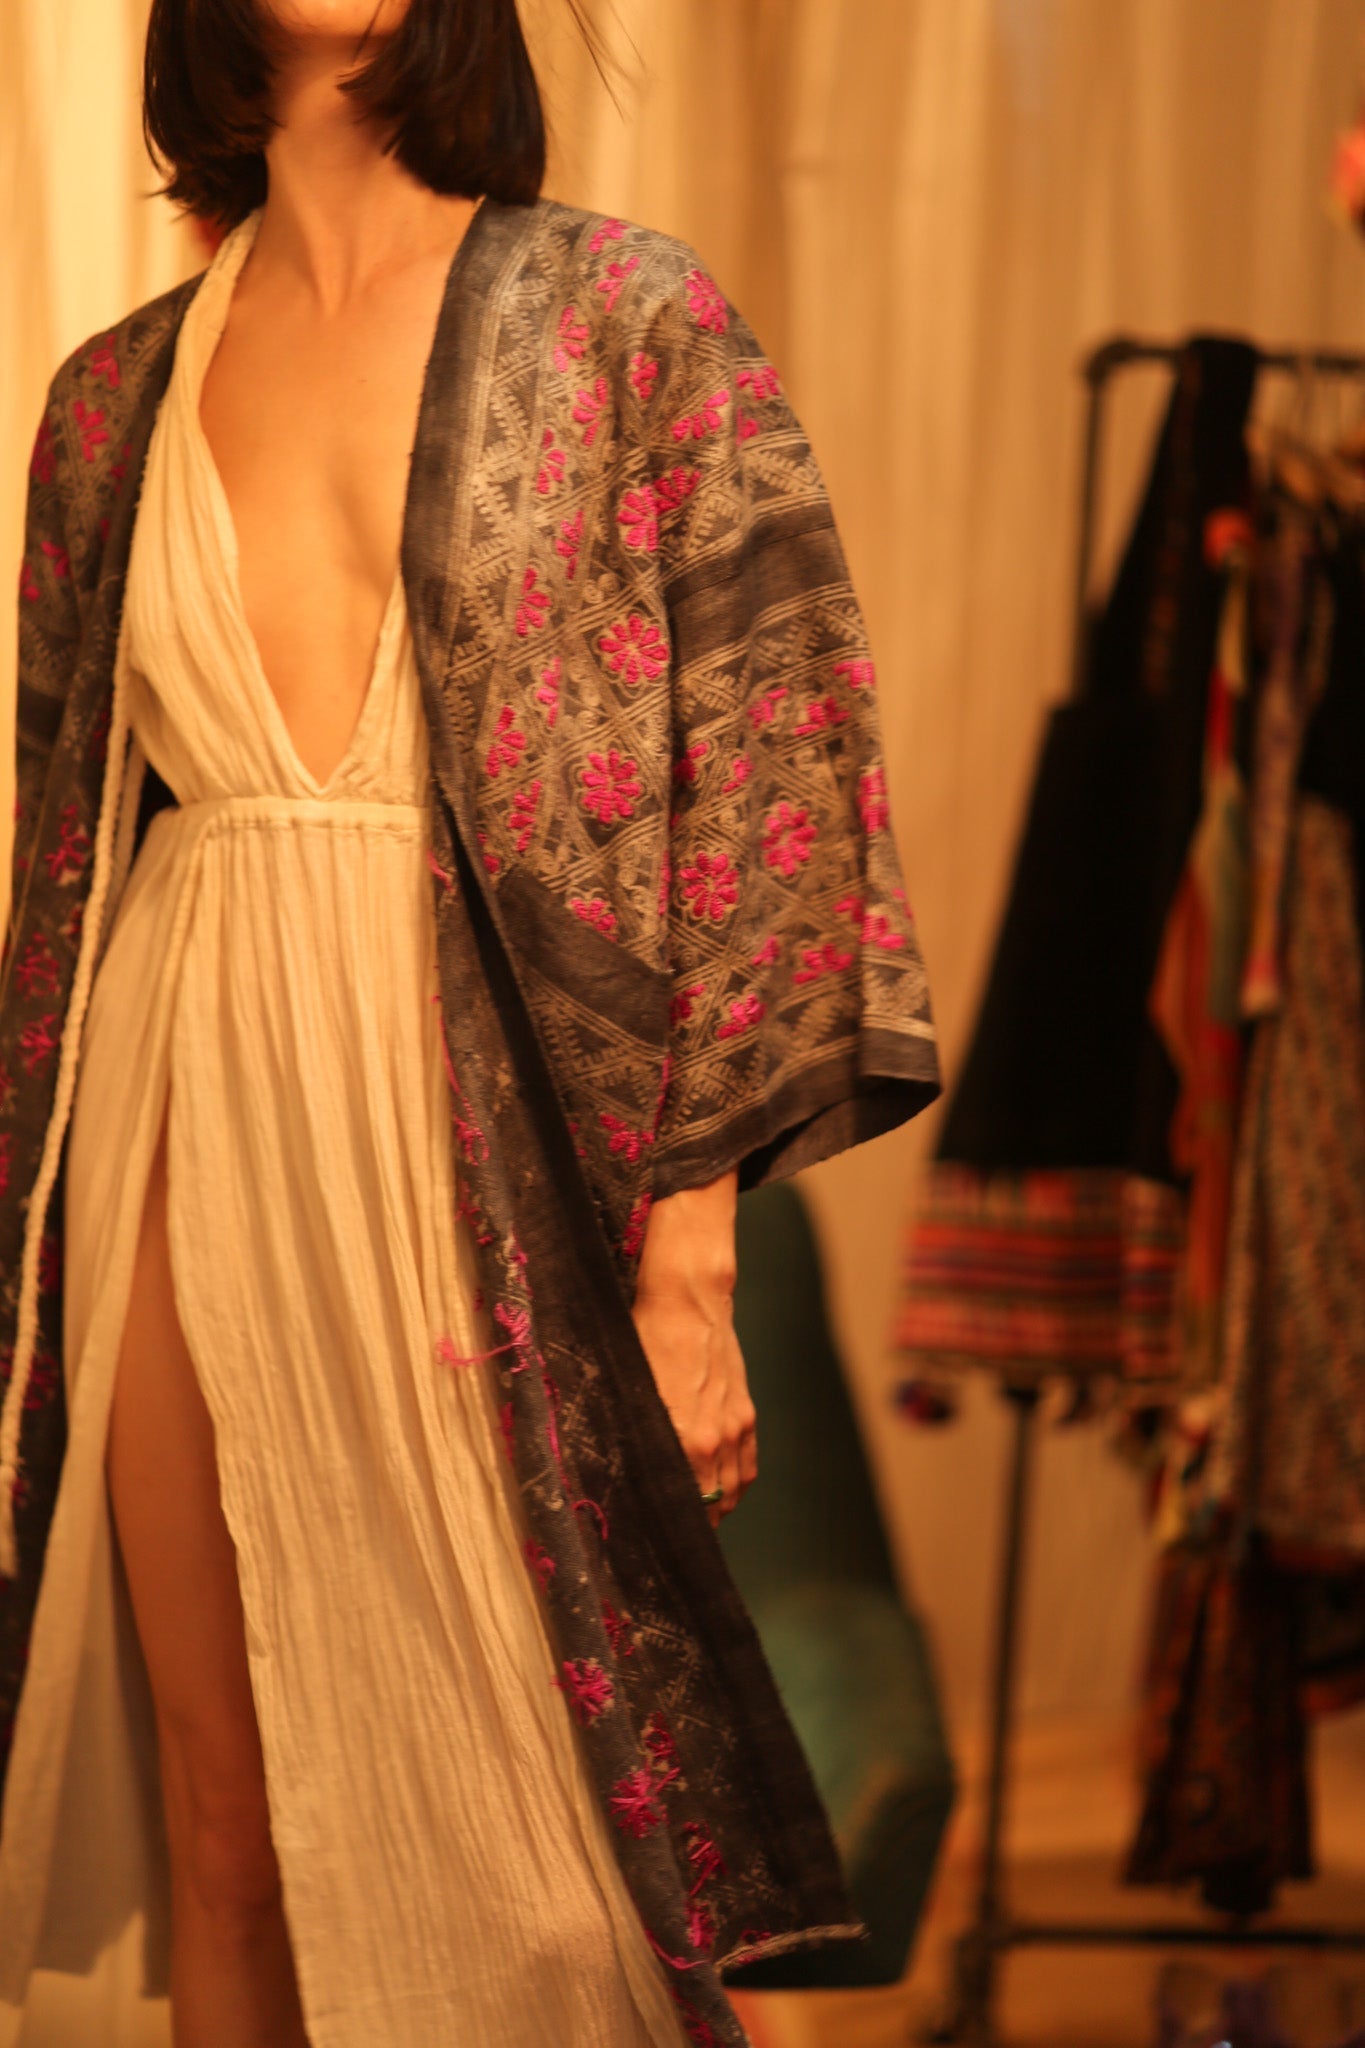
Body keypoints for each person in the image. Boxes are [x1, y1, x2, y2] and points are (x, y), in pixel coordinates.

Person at [0, 3, 940, 2043]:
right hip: (180, 1087)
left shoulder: (627, 323)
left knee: (547, 1855)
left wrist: (691, 1257)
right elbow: (59, 857)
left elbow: (764, 770)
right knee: (229, 1824)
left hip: (476, 1132)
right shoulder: (109, 404)